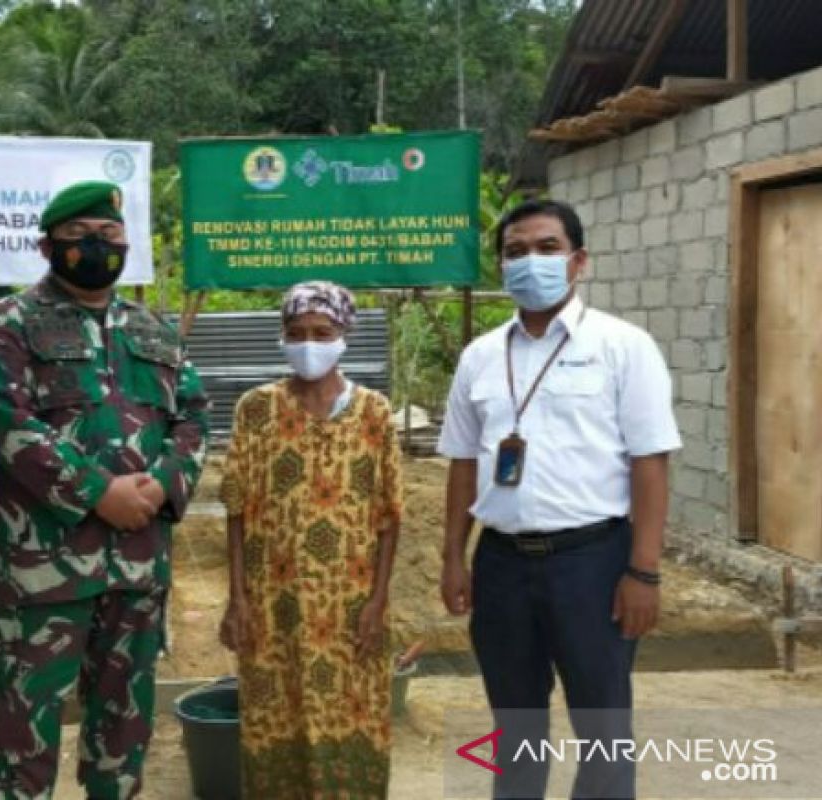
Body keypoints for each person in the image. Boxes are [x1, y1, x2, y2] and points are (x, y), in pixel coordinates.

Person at [0, 180, 210, 800]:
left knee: (123, 735)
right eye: (79, 237)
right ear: (47, 247)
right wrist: (97, 491)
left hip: (137, 568)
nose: (97, 246)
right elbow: (6, 420)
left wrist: (163, 483)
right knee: (22, 743)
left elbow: (195, 416)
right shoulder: (8, 326)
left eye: (109, 236)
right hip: (41, 573)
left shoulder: (154, 330)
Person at [435, 199, 681, 799]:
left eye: (547, 248)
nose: (531, 262)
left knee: (602, 727)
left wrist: (642, 572)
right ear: (500, 266)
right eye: (516, 252)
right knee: (515, 726)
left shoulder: (623, 346)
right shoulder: (480, 357)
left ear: (579, 262)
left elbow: (650, 464)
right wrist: (452, 557)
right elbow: (464, 464)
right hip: (502, 564)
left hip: (592, 563)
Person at [219, 281, 404, 799]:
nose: (309, 342)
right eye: (296, 332)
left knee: (354, 715)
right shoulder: (256, 410)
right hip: (271, 605)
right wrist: (237, 598)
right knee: (275, 717)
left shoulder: (375, 414)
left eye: (321, 332)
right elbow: (235, 509)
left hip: (352, 606)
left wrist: (378, 603)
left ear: (344, 334)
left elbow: (390, 517)